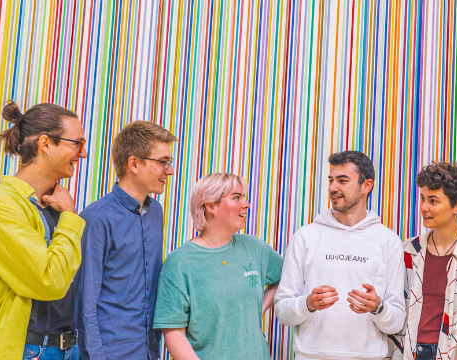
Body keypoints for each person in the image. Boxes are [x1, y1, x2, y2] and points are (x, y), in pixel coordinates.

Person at [0, 101, 88, 359]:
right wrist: (70, 217)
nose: (83, 153)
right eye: (77, 143)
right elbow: (49, 281)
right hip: (27, 351)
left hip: (67, 348)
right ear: (45, 144)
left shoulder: (53, 204)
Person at [274, 151, 405, 360]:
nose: (333, 188)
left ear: (366, 186)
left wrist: (378, 307)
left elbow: (397, 321)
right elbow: (282, 310)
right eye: (331, 180)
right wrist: (307, 303)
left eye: (342, 181)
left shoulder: (389, 242)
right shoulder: (305, 237)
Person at [75, 121, 178, 359]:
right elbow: (84, 303)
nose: (170, 170)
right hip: (109, 353)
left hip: (148, 351)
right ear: (133, 163)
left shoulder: (155, 212)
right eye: (163, 162)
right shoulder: (96, 218)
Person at [153, 173, 283, 359]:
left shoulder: (255, 248)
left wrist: (259, 308)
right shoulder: (180, 262)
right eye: (237, 197)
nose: (246, 204)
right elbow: (174, 333)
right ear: (211, 206)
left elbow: (286, 277)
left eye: (244, 197)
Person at [387, 162, 457, 360]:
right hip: (405, 352)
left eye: (433, 201)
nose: (423, 207)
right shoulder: (407, 251)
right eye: (422, 198)